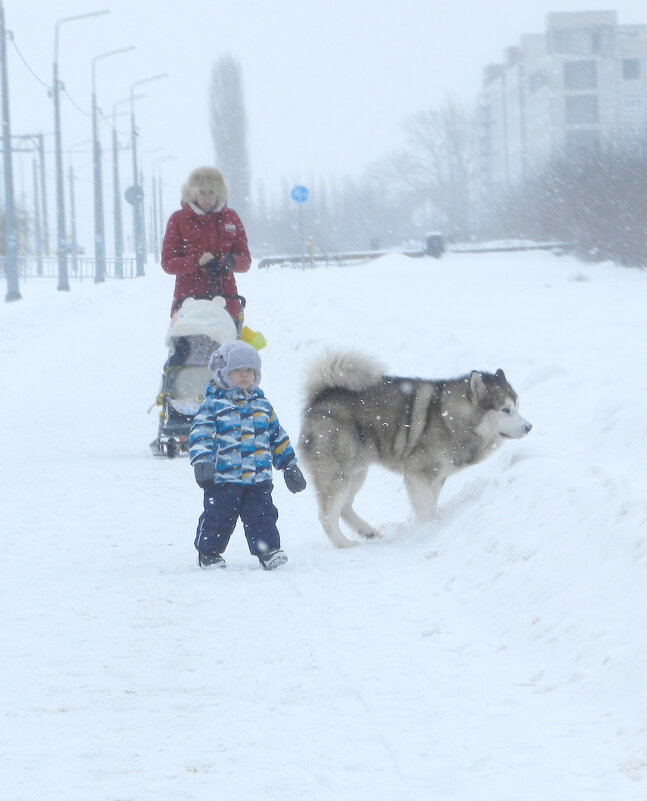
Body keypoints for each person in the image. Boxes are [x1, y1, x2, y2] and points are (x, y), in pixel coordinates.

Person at [189, 341, 306, 570]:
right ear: (224, 373)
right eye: (237, 370)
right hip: (223, 479)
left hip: (258, 478)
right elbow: (201, 433)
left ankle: (268, 551)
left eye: (249, 370)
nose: (244, 375)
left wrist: (289, 466)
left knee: (263, 517)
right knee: (218, 518)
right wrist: (202, 461)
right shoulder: (213, 404)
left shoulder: (262, 405)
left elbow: (276, 436)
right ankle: (209, 553)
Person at [161, 166, 251, 324]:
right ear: (192, 193)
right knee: (186, 345)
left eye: (211, 192)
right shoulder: (178, 220)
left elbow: (245, 260)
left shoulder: (231, 218)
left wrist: (227, 261)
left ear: (219, 193)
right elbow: (168, 263)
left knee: (226, 346)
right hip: (188, 302)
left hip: (226, 301)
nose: (207, 198)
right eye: (202, 192)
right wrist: (196, 261)